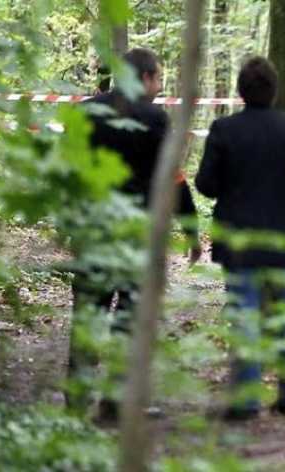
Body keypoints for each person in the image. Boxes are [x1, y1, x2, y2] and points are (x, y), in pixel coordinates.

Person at [68, 48, 201, 415]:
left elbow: (67, 173)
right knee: (130, 317)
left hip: (92, 230)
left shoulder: (84, 111)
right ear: (144, 78)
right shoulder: (154, 118)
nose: (160, 87)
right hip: (136, 234)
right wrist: (191, 230)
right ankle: (116, 401)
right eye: (158, 79)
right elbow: (172, 178)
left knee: (88, 315)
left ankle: (76, 403)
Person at [196, 56, 285, 420]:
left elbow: (206, 184)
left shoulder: (223, 129)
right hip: (284, 240)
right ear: (274, 90)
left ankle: (246, 400)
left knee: (245, 318)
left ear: (240, 91)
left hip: (239, 240)